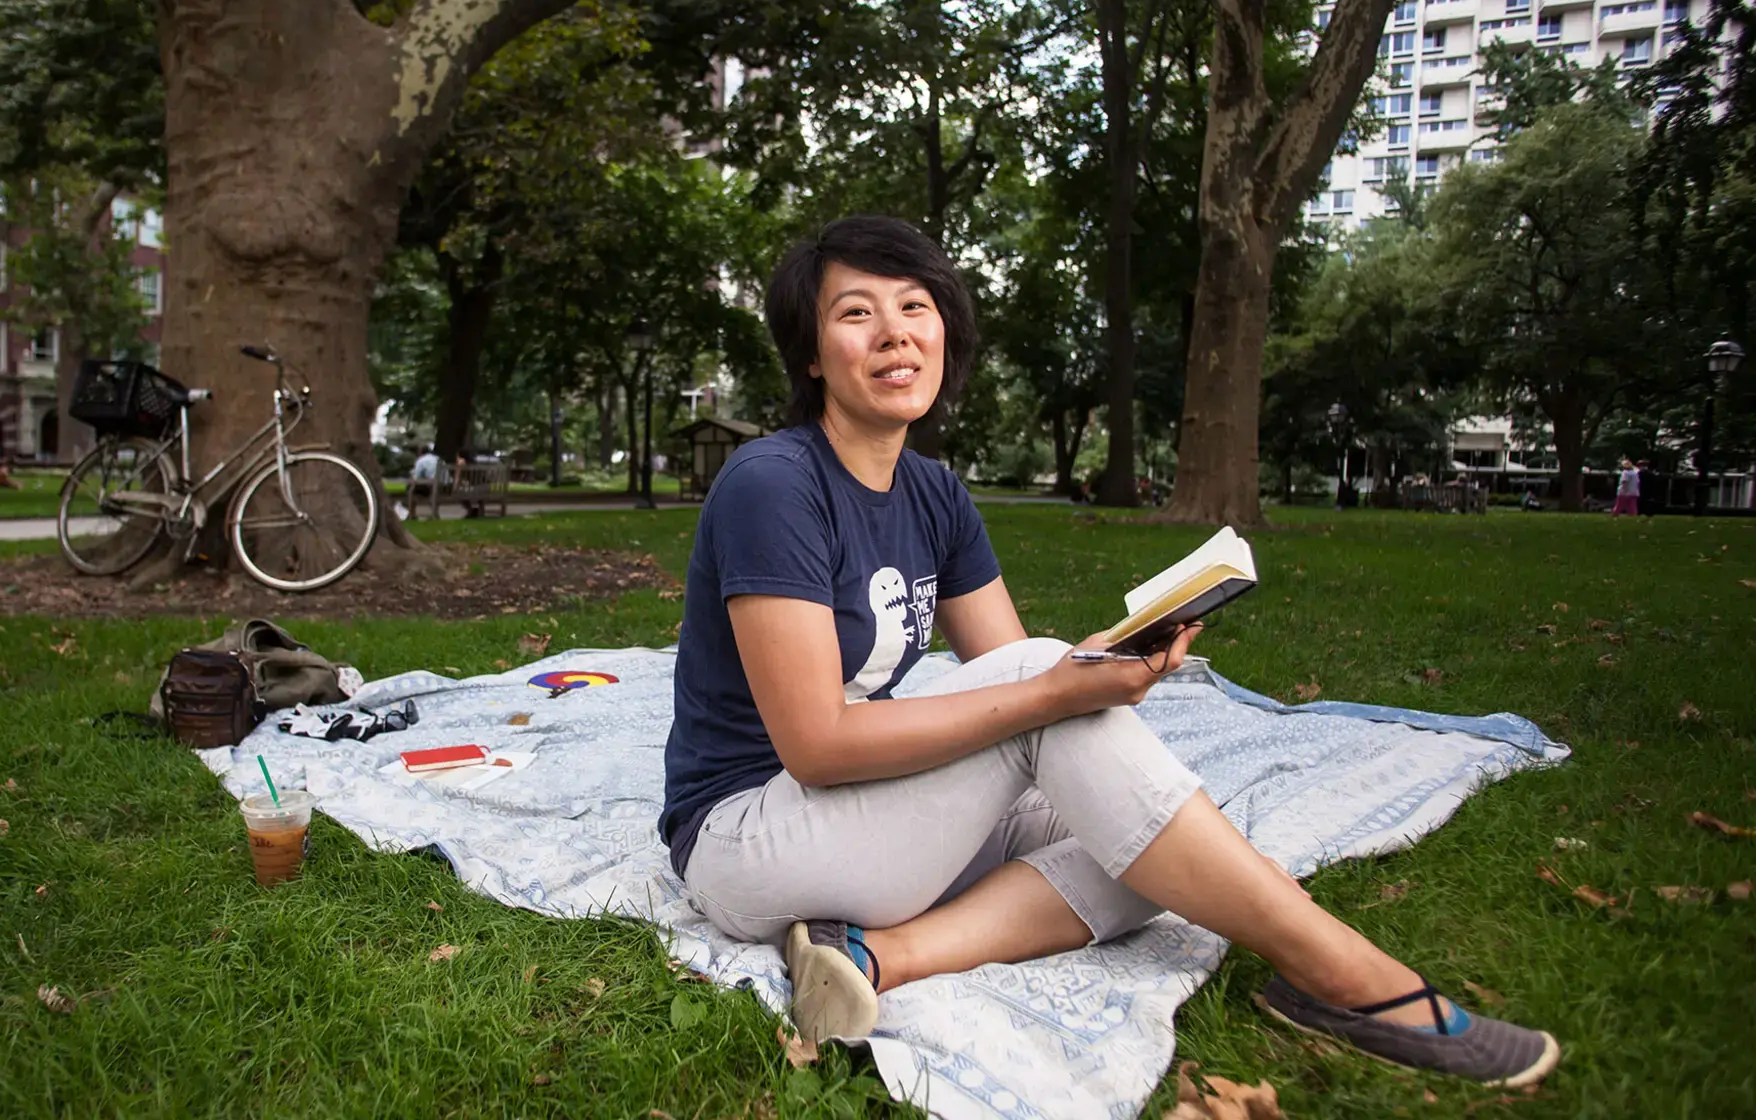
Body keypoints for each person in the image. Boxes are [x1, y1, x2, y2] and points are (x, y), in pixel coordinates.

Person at [660, 215, 1559, 1087]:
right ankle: (1348, 978)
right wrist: (1054, 687)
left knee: (1153, 847)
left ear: (946, 330)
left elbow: (1009, 687)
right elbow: (822, 742)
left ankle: (874, 956)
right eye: (857, 312)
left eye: (915, 306)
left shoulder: (933, 492)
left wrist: (1093, 668)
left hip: (863, 823)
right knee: (1104, 772)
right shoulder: (773, 486)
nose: (895, 333)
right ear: (813, 355)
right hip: (749, 835)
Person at [404, 444, 441, 517]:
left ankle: (412, 514)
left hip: (432, 487)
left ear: (420, 453)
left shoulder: (421, 460)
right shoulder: (438, 458)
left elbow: (416, 477)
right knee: (415, 488)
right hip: (443, 487)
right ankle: (435, 513)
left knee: (410, 489)